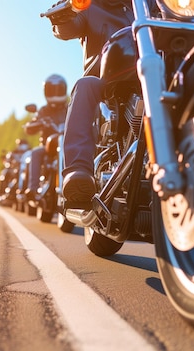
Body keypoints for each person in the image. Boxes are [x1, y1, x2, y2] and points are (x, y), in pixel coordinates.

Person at [47, 0, 135, 210]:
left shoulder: (150, 4)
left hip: (150, 76)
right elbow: (68, 28)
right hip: (106, 81)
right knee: (85, 85)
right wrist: (65, 13)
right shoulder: (91, 5)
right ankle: (78, 171)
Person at [23, 74, 69, 201]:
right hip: (48, 148)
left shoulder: (69, 108)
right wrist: (37, 124)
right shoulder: (43, 111)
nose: (55, 93)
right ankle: (33, 189)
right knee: (35, 152)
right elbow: (29, 127)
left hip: (67, 145)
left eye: (58, 89)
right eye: (52, 89)